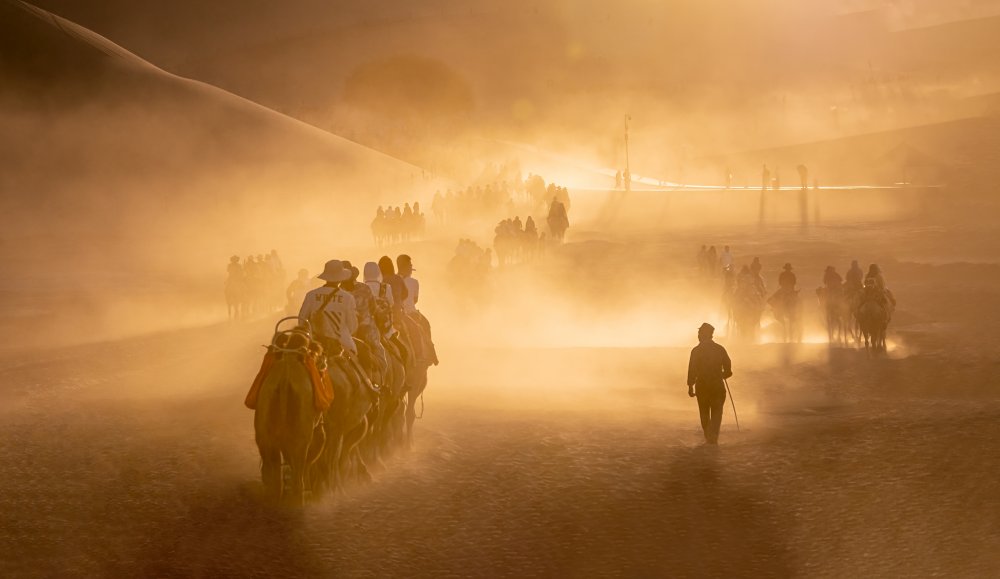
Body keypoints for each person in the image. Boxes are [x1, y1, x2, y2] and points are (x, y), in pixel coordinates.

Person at [298, 260, 358, 357]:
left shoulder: (311, 295)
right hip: (341, 342)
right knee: (355, 358)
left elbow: (301, 320)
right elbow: (352, 326)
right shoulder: (348, 298)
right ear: (341, 278)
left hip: (314, 344)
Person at [687, 323, 733, 445]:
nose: (698, 335)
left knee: (704, 414)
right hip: (717, 387)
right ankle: (713, 441)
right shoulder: (720, 349)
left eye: (700, 333)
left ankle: (709, 440)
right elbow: (728, 370)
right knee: (717, 415)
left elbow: (692, 370)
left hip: (702, 387)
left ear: (704, 334)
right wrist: (723, 375)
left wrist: (690, 386)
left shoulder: (696, 351)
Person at [397, 254, 439, 365]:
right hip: (411, 313)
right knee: (426, 325)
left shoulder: (391, 280)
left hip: (395, 314)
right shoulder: (414, 282)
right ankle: (431, 355)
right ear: (407, 267)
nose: (411, 269)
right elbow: (415, 300)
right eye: (410, 266)